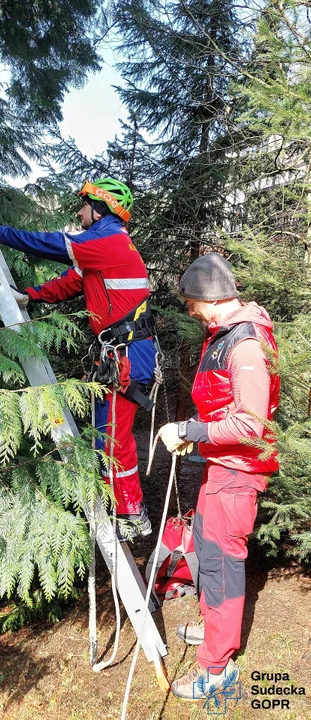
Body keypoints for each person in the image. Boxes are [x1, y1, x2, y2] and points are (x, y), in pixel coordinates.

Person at [0, 177, 156, 540]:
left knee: (112, 438)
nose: (78, 212)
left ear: (101, 208)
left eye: (83, 206)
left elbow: (54, 244)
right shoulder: (102, 248)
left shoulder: (110, 242)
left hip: (128, 353)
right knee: (104, 434)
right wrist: (30, 296)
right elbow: (69, 283)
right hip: (120, 352)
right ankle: (123, 507)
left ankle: (132, 513)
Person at [158, 253, 280, 700]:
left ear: (207, 298)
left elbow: (251, 424)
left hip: (238, 473)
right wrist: (200, 439)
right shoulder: (223, 336)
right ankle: (214, 629)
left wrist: (191, 430)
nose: (189, 310)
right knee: (207, 550)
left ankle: (216, 669)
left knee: (224, 566)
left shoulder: (245, 343)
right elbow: (222, 406)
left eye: (191, 302)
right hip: (220, 467)